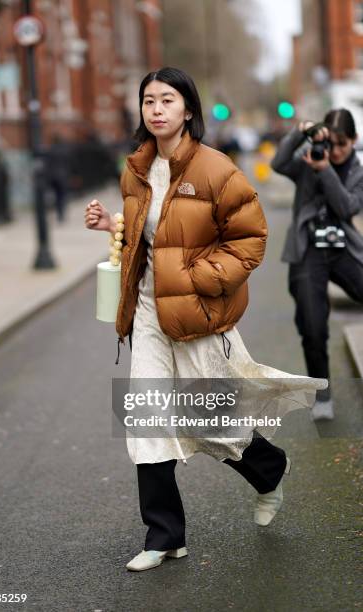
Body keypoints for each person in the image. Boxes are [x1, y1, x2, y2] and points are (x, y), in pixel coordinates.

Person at [84, 67, 327, 572]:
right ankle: (164, 536)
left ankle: (270, 468)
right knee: (148, 422)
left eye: (166, 100)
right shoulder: (135, 168)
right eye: (148, 101)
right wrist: (113, 225)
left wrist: (202, 277)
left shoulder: (216, 169)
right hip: (147, 311)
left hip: (196, 314)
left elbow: (251, 237)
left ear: (187, 109)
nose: (156, 110)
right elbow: (145, 232)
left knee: (212, 419)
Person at [271, 109, 363, 421]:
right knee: (311, 324)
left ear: (355, 140)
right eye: (330, 143)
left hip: (343, 249)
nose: (334, 151)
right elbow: (278, 163)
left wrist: (326, 171)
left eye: (342, 144)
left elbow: (347, 206)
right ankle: (322, 394)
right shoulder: (308, 159)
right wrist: (302, 131)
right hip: (308, 249)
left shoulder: (358, 171)